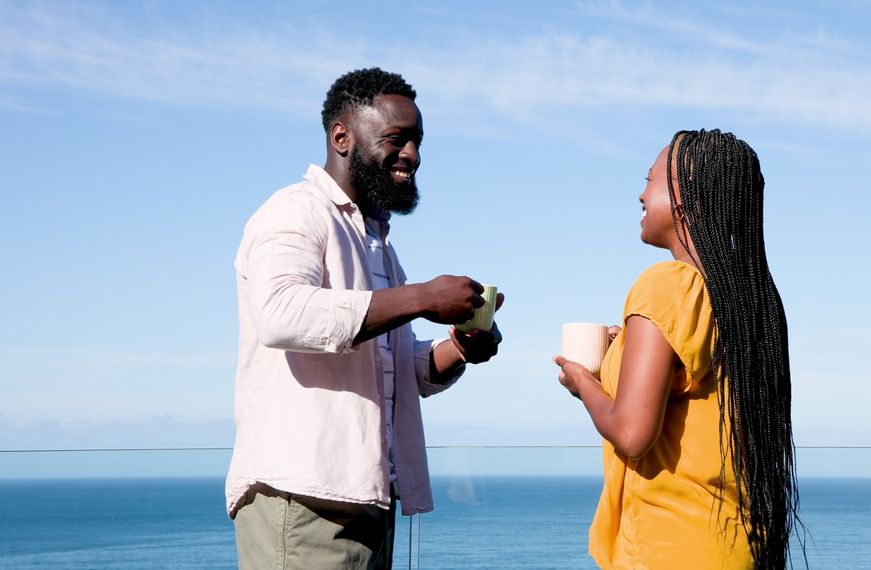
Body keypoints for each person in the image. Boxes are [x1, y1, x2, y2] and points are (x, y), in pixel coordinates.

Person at [227, 67, 504, 569]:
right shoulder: (293, 212)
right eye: (397, 139)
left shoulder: (377, 243)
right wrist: (420, 297)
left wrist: (460, 347)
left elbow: (396, 368)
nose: (413, 156)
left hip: (368, 503)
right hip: (305, 501)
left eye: (418, 142)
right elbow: (280, 313)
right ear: (341, 137)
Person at [554, 129, 801, 569]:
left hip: (671, 547)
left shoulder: (666, 284)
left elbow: (631, 432)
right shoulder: (747, 298)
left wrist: (582, 382)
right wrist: (623, 351)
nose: (640, 196)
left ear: (686, 198)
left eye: (649, 181)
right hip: (737, 544)